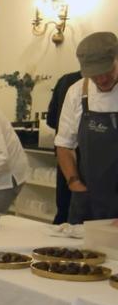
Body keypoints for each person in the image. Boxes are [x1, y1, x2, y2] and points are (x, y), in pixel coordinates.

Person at [54, 31, 118, 222]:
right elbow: (64, 144)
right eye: (95, 75)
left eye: (107, 71)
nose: (102, 79)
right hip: (87, 198)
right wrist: (74, 183)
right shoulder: (77, 92)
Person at [46, 69, 84, 224]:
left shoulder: (65, 80)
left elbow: (50, 119)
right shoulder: (77, 87)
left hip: (67, 162)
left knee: (64, 213)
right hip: (72, 159)